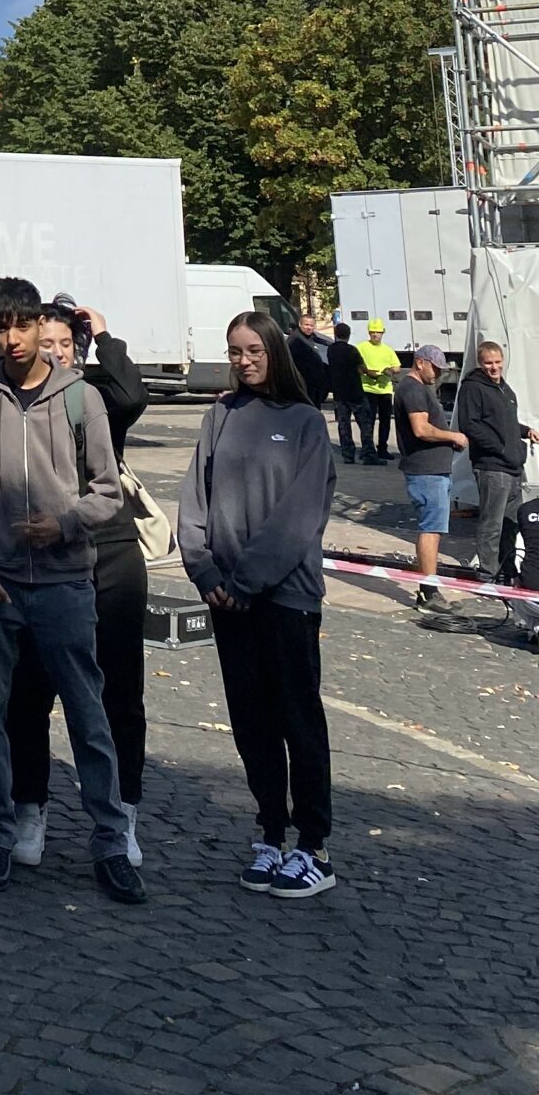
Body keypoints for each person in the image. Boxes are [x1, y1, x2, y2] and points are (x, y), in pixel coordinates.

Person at [0, 278, 143, 906]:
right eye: (1, 327)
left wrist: (64, 524)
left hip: (63, 584)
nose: (13, 338)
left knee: (89, 716)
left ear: (39, 326)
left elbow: (107, 491)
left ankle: (111, 841)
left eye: (22, 325)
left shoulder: (81, 397)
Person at [177, 311, 337, 898]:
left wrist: (248, 581)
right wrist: (204, 571)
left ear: (274, 351)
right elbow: (195, 501)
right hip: (226, 597)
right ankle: (271, 830)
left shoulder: (304, 423)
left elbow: (299, 516)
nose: (244, 361)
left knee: (298, 719)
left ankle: (313, 845)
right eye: (234, 351)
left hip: (285, 597)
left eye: (254, 351)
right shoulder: (219, 415)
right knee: (251, 722)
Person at [5, 303, 148, 870]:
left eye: (66, 343)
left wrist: (105, 336)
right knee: (31, 690)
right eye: (48, 342)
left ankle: (123, 811)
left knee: (119, 692)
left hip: (110, 553)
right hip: (45, 558)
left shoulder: (95, 396)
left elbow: (133, 395)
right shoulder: (21, 401)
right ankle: (30, 807)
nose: (57, 352)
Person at [455, 341, 537, 583]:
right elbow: (470, 425)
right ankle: (488, 574)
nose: (494, 367)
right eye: (489, 363)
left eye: (498, 362)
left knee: (511, 524)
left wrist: (525, 431)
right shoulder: (473, 388)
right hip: (492, 466)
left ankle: (507, 570)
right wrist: (500, 448)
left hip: (513, 467)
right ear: (480, 363)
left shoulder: (503, 388)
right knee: (492, 524)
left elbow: (505, 423)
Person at [394, 345, 468, 610]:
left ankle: (429, 589)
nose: (438, 374)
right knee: (431, 529)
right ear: (420, 363)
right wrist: (453, 436)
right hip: (426, 472)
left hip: (432, 470)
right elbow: (421, 429)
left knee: (434, 529)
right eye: (435, 368)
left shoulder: (418, 388)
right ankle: (428, 592)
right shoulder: (412, 389)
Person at [355, 319, 401, 464]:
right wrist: (367, 372)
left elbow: (397, 367)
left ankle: (382, 448)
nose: (375, 335)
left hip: (384, 390)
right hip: (367, 389)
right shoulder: (361, 347)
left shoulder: (387, 349)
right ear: (369, 332)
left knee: (385, 421)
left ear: (383, 333)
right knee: (368, 421)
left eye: (378, 332)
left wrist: (390, 370)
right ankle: (367, 449)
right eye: (372, 332)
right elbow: (355, 365)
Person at [325, 321, 363, 466]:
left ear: (335, 334)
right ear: (348, 335)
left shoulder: (331, 350)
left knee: (343, 425)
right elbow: (361, 368)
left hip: (339, 393)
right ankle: (368, 453)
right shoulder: (352, 350)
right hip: (355, 392)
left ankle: (348, 454)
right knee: (364, 424)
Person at [287, 315, 332, 409]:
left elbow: (321, 342)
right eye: (306, 325)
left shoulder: (310, 337)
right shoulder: (294, 340)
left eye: (311, 325)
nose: (309, 328)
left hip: (314, 383)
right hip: (304, 383)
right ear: (300, 324)